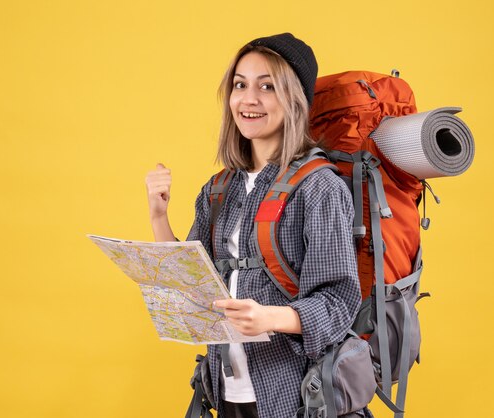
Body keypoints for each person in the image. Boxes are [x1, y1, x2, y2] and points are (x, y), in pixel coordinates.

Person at [145, 33, 364, 418]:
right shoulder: (218, 188)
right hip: (226, 389)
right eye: (240, 85)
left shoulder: (319, 187)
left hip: (294, 393)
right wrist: (159, 216)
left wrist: (270, 317)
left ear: (293, 99)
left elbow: (339, 303)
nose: (249, 99)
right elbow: (190, 283)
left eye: (267, 87)